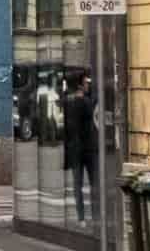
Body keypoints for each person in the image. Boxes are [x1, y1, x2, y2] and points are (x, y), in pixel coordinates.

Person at [63, 72, 98, 222]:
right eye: (85, 83)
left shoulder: (67, 102)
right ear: (79, 85)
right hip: (87, 148)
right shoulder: (85, 102)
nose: (88, 84)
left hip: (74, 148)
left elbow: (66, 128)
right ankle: (96, 216)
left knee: (78, 186)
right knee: (93, 183)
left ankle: (81, 218)